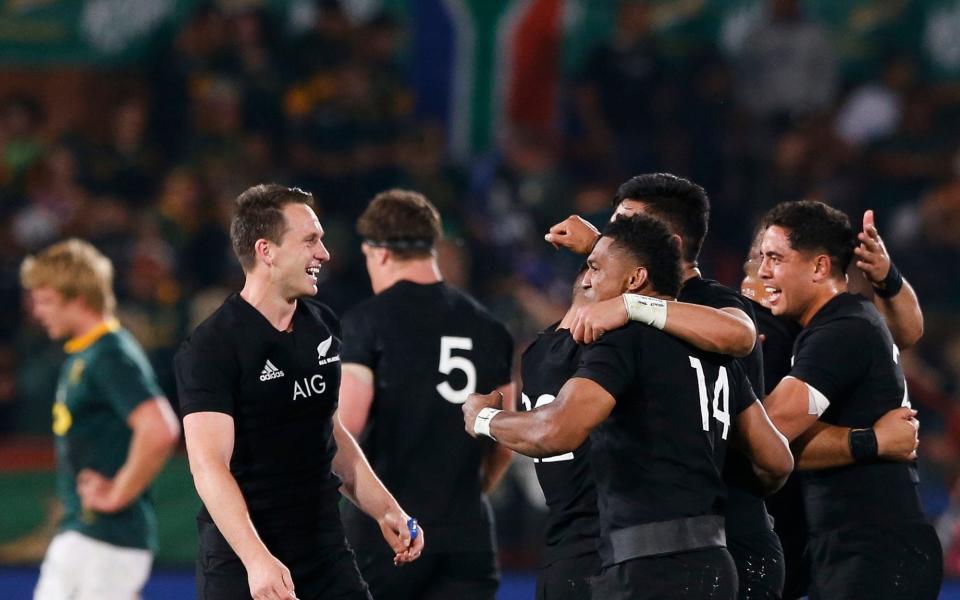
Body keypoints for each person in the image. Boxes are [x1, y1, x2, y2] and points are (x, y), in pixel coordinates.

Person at [464, 214, 795, 599]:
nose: (586, 278)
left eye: (593, 266)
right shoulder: (715, 353)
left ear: (636, 280)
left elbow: (555, 430)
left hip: (646, 569)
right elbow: (777, 462)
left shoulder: (625, 339)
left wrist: (483, 417)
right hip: (717, 563)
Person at [173, 184, 424, 600]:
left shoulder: (322, 324)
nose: (324, 253)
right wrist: (257, 560)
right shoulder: (211, 347)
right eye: (310, 240)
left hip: (326, 553)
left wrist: (386, 510)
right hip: (244, 561)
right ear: (266, 251)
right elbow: (208, 467)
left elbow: (330, 430)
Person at [547, 173, 784, 598]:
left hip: (719, 538)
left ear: (672, 247)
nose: (615, 236)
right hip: (691, 545)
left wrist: (630, 301)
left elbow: (740, 334)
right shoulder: (649, 307)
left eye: (626, 227)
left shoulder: (710, 301)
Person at [758, 200, 942, 599]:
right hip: (851, 547)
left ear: (820, 267)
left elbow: (770, 433)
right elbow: (909, 330)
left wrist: (706, 406)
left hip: (874, 550)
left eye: (775, 258)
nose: (762, 272)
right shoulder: (838, 323)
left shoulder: (840, 330)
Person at [337, 189, 513, 600]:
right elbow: (505, 440)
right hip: (467, 535)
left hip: (386, 536)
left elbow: (346, 429)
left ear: (378, 253)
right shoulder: (490, 329)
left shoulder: (367, 323)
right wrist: (464, 498)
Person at [20, 238, 181, 600]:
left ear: (77, 299)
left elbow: (159, 428)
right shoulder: (86, 354)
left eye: (46, 300)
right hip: (86, 534)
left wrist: (118, 492)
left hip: (106, 539)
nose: (37, 311)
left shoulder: (110, 355)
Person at [517, 266, 600, 600]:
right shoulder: (602, 352)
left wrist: (485, 418)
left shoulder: (534, 353)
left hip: (560, 547)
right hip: (604, 549)